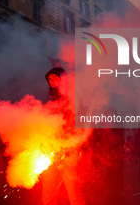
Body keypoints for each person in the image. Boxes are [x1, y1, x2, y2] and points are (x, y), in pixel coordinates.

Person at [42, 67, 85, 205]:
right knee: (48, 192)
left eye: (54, 77)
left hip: (69, 150)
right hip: (51, 151)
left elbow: (78, 123)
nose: (51, 81)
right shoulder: (50, 99)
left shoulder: (74, 96)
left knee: (74, 193)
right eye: (49, 79)